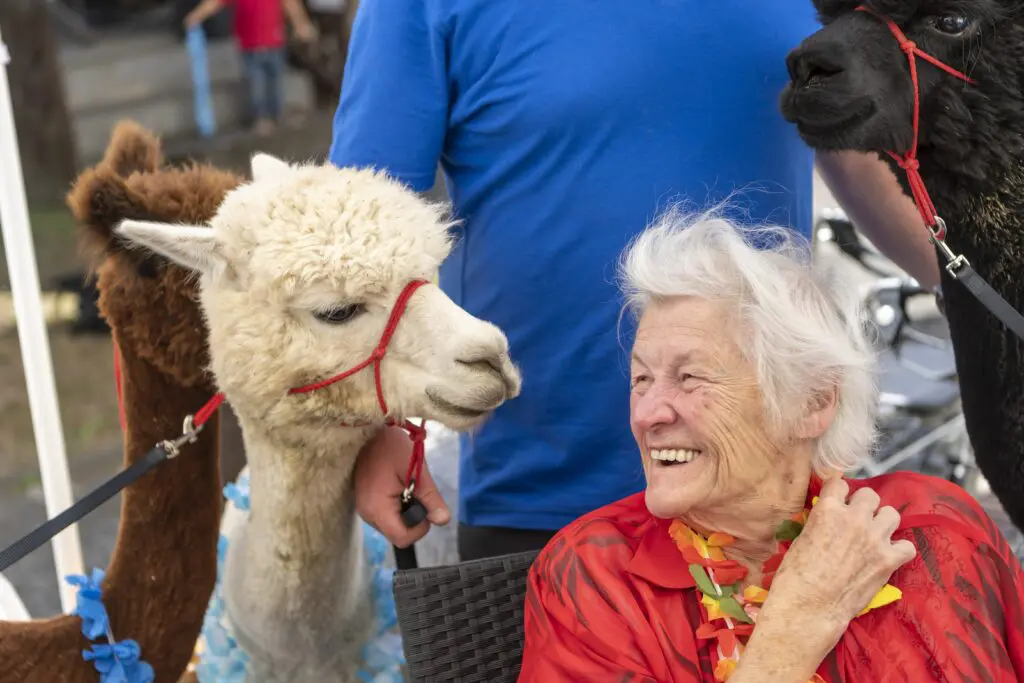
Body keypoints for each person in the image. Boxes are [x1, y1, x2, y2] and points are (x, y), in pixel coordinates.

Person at [329, 1, 940, 561]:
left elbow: (859, 159)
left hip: (769, 481)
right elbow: (355, 230)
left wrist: (993, 308)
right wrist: (367, 426)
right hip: (547, 486)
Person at [518, 211, 1024, 682]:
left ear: (812, 403)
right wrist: (797, 625)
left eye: (690, 378)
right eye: (641, 379)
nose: (648, 414)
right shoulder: (598, 576)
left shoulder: (931, 529)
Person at [184, 0, 316, 135]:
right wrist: (196, 16)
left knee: (273, 81)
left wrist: (301, 24)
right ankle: (262, 117)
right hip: (251, 45)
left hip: (273, 43)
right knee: (256, 83)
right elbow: (215, 3)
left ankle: (276, 113)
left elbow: (291, 4)